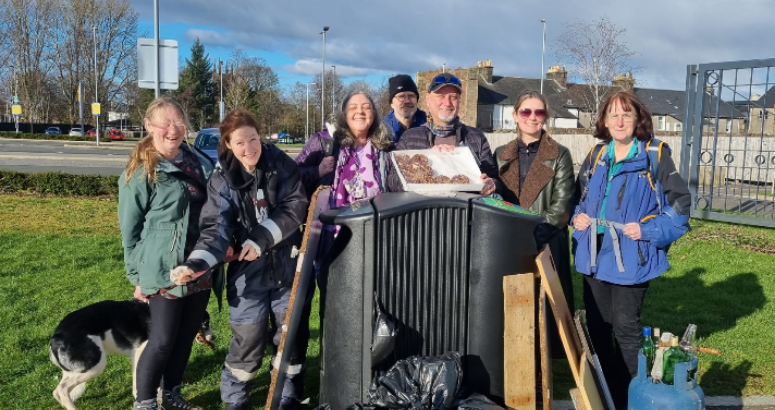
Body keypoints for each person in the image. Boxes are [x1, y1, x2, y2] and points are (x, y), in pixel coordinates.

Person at [170, 109, 308, 410]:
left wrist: (260, 239)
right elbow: (215, 229)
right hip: (248, 275)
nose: (250, 148)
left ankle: (288, 394)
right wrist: (196, 264)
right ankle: (235, 400)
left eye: (254, 139)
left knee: (289, 335)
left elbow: (295, 205)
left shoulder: (280, 164)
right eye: (240, 142)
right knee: (248, 338)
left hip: (287, 266)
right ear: (228, 145)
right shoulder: (222, 181)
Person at [571, 90, 691, 408]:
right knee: (597, 327)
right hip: (594, 256)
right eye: (613, 114)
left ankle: (631, 396)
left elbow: (680, 205)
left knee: (625, 329)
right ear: (604, 121)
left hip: (631, 258)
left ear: (638, 119)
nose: (620, 120)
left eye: (627, 114)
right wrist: (578, 217)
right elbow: (579, 198)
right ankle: (606, 392)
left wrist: (650, 229)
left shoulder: (655, 153)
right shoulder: (597, 154)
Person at [118, 96, 215, 410]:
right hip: (162, 268)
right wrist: (137, 276)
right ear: (149, 126)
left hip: (200, 263)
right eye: (165, 122)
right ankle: (145, 403)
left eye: (178, 122)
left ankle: (171, 396)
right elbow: (130, 232)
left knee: (186, 336)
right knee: (162, 340)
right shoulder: (141, 172)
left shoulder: (199, 161)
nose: (173, 129)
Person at [494, 89, 575, 322]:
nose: (532, 117)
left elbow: (561, 207)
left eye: (539, 112)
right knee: (513, 307)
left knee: (547, 312)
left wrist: (531, 236)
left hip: (546, 239)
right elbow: (495, 198)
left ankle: (547, 356)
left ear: (546, 117)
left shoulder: (560, 154)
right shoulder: (501, 155)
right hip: (509, 241)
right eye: (526, 111)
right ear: (515, 115)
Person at [386, 72, 498, 195]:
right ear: (428, 99)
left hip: (465, 212)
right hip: (423, 211)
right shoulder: (409, 138)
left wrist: (492, 184)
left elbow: (495, 179)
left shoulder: (476, 138)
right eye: (440, 96)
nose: (447, 102)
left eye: (453, 97)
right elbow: (392, 183)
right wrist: (427, 157)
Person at [384, 74, 427, 142]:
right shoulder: (382, 133)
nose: (407, 101)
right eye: (401, 96)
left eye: (411, 96)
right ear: (391, 103)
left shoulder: (429, 129)